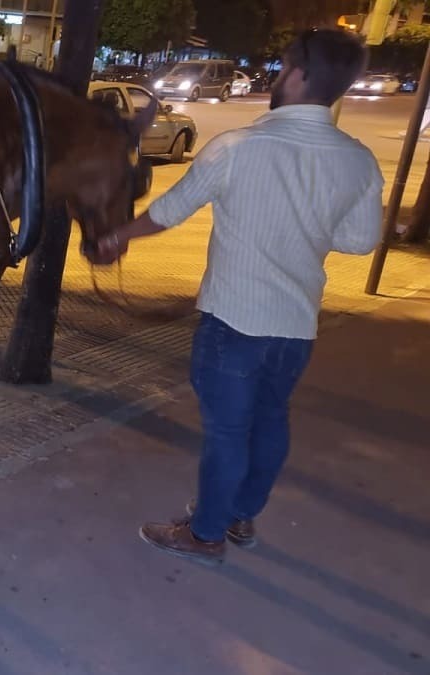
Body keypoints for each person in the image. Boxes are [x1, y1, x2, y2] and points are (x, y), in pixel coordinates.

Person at [87, 28, 382, 565]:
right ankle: (239, 514)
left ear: (299, 75)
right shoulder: (358, 159)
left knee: (227, 433)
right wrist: (307, 229)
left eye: (284, 68)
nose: (279, 77)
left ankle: (205, 535)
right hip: (296, 326)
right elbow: (361, 241)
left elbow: (169, 211)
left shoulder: (237, 147)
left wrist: (114, 238)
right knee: (271, 419)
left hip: (233, 321)